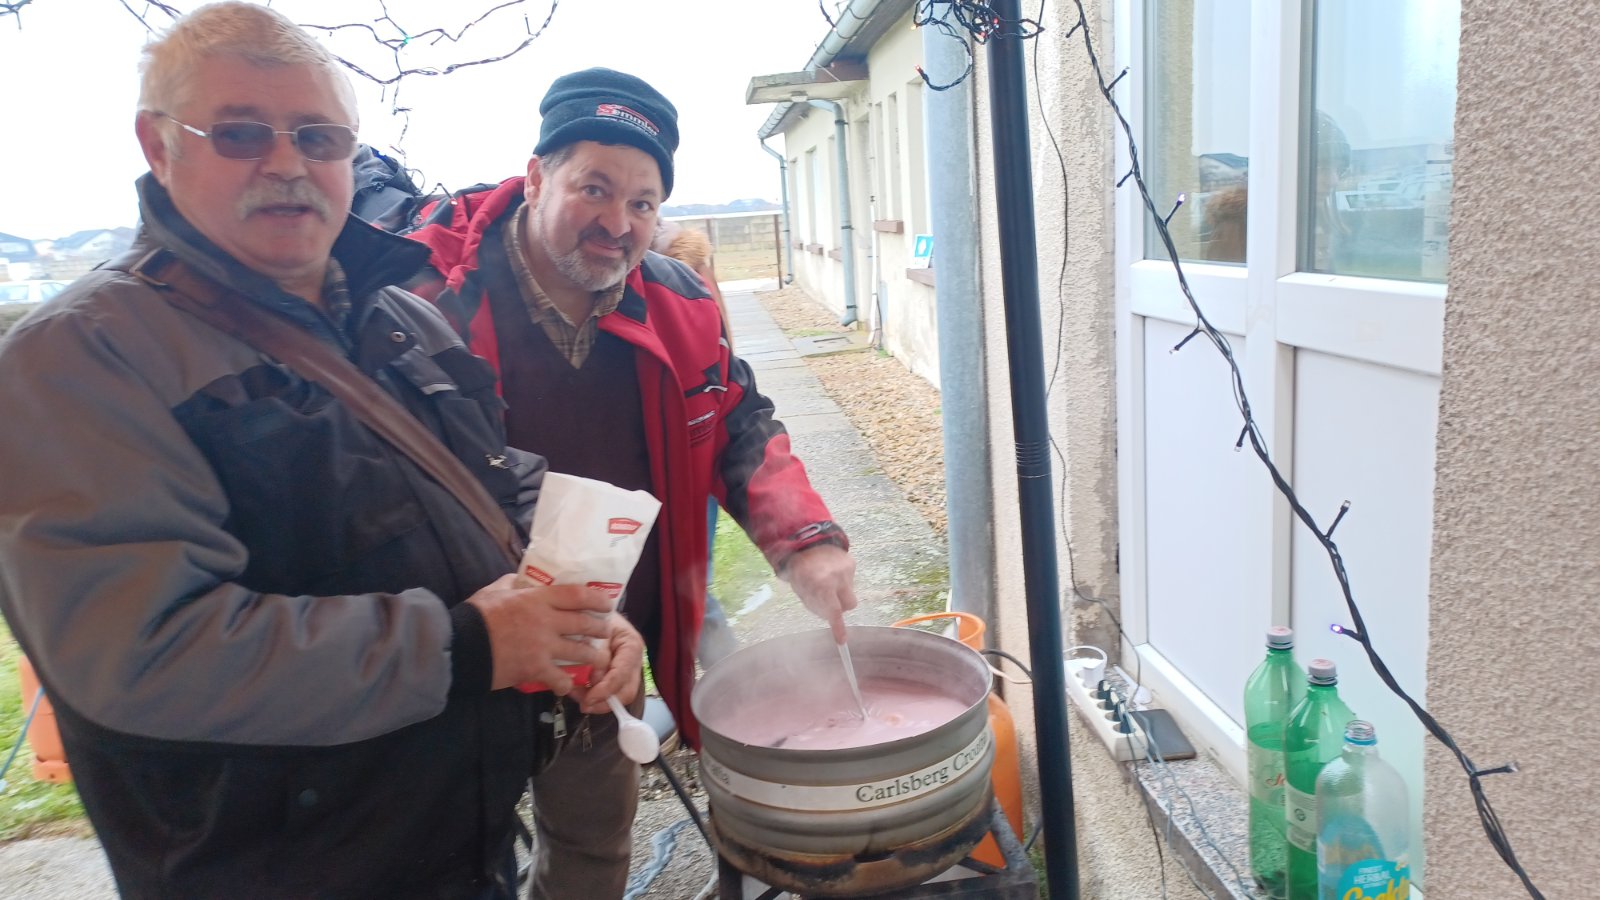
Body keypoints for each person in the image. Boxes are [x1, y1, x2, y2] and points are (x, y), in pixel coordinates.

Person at [0, 5, 643, 898]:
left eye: (318, 136)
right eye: (239, 134)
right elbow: (146, 653)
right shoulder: (77, 359)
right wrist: (467, 647)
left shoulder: (402, 320)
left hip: (458, 838)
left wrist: (591, 607)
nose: (288, 164)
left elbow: (497, 487)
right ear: (159, 145)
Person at [406, 67, 860, 898]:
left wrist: (807, 541)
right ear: (537, 175)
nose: (618, 223)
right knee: (453, 863)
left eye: (643, 202)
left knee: (590, 853)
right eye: (595, 188)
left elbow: (741, 424)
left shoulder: (679, 303)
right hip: (472, 646)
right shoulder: (428, 300)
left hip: (611, 651)